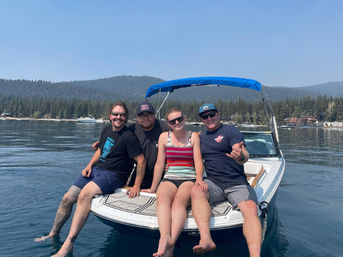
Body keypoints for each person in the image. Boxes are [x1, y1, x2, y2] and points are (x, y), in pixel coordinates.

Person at [35, 102, 166, 245]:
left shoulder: (134, 134)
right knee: (67, 198)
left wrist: (136, 185)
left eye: (122, 115)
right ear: (110, 116)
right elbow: (101, 150)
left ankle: (68, 243)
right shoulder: (107, 129)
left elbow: (141, 160)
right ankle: (53, 233)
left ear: (126, 117)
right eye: (115, 114)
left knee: (85, 194)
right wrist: (89, 165)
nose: (118, 117)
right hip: (96, 170)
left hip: (114, 174)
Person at [191, 103, 262, 257]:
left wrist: (241, 157)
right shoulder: (200, 138)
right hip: (213, 182)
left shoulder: (230, 131)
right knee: (196, 190)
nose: (209, 118)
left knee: (250, 208)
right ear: (202, 120)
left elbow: (243, 153)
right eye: (205, 116)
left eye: (212, 114)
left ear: (218, 114)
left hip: (236, 182)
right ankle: (206, 240)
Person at [143, 107, 206, 257]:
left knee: (178, 203)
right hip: (170, 178)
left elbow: (198, 161)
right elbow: (159, 163)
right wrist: (153, 187)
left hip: (188, 178)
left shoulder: (193, 136)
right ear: (168, 123)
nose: (177, 122)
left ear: (184, 118)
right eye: (173, 121)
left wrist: (198, 178)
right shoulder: (164, 137)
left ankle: (170, 243)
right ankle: (165, 237)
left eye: (180, 119)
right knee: (162, 198)